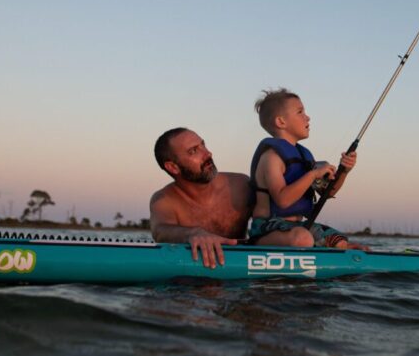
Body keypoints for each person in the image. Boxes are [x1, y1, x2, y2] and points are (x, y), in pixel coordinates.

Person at [248, 88, 367, 249]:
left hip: (298, 226)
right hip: (266, 228)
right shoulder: (271, 157)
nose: (307, 117)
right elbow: (283, 200)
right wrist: (313, 174)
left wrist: (344, 171)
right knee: (303, 240)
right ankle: (257, 244)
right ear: (281, 122)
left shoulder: (304, 156)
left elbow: (328, 193)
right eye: (300, 112)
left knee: (340, 242)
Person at [149, 127, 252, 268]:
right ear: (173, 167)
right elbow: (160, 231)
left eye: (203, 145)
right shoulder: (164, 200)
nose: (208, 153)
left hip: (242, 278)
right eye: (194, 151)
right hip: (188, 284)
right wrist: (193, 233)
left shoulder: (241, 185)